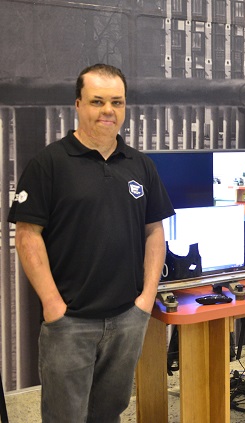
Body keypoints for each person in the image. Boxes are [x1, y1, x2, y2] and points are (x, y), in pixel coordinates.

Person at [8, 64, 175, 422]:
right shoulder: (48, 164)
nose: (108, 111)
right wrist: (54, 306)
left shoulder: (140, 165)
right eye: (97, 101)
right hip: (69, 323)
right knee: (65, 416)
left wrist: (145, 299)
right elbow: (26, 236)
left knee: (109, 412)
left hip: (127, 318)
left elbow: (154, 232)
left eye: (116, 102)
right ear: (78, 105)